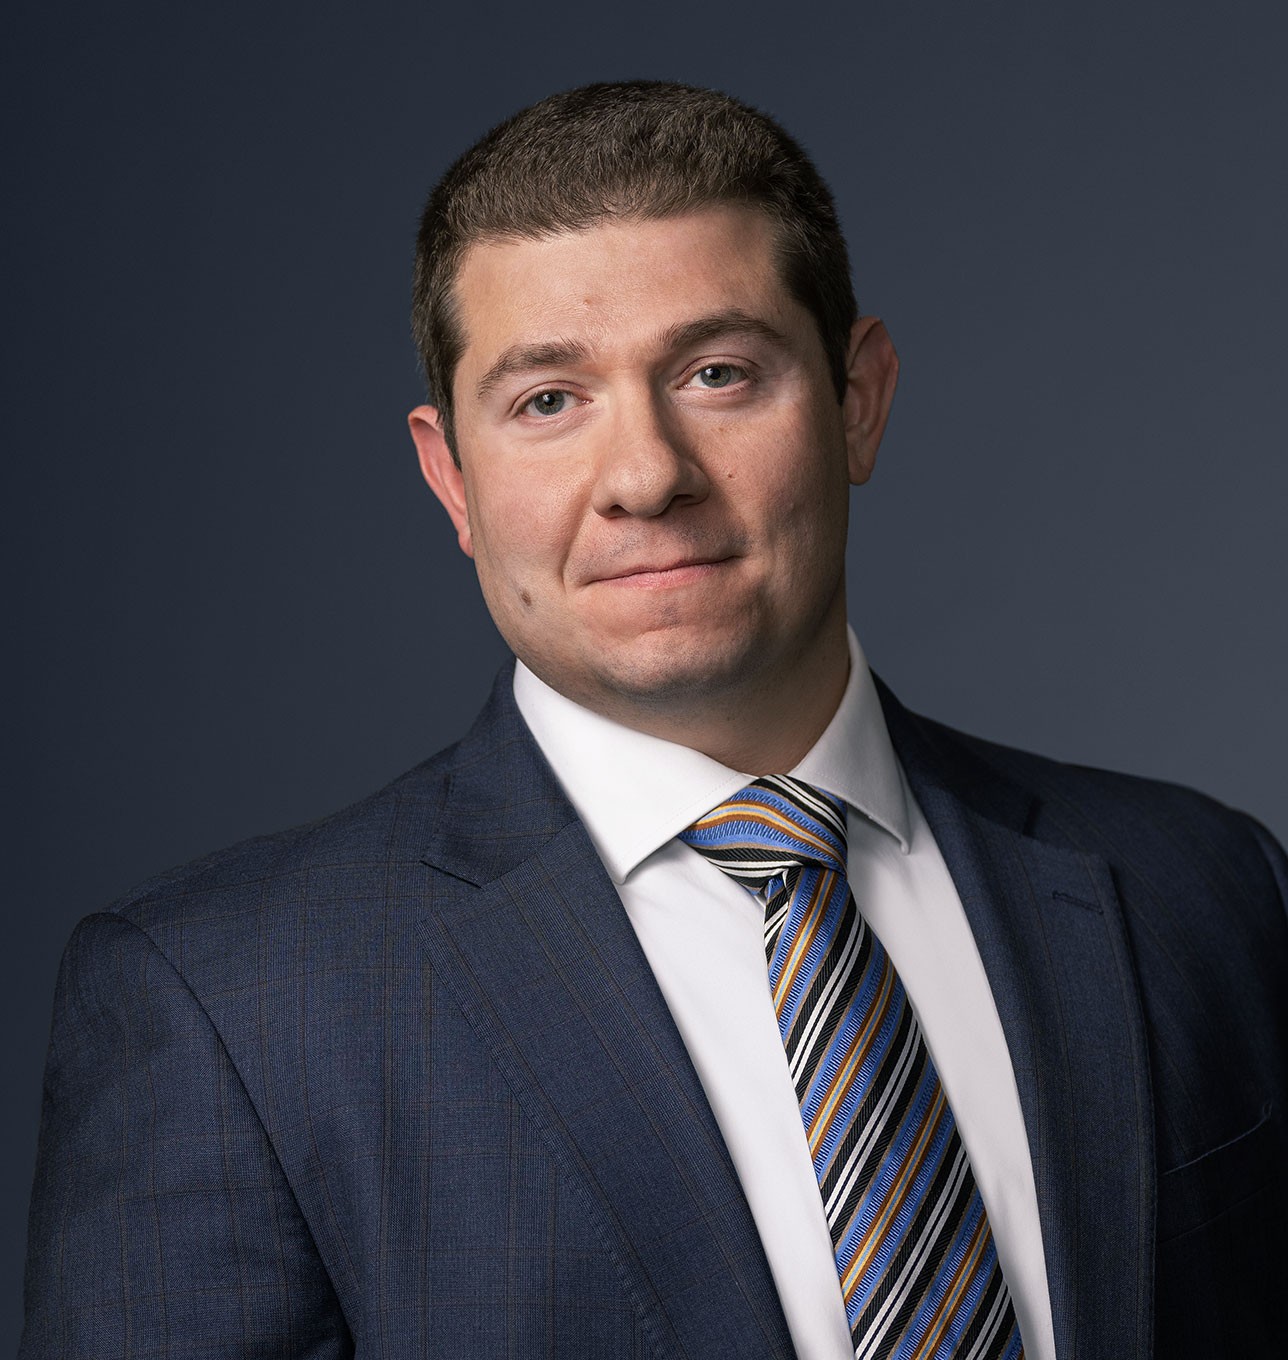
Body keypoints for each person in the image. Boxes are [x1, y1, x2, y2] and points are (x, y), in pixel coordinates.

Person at [21, 80, 1287, 1360]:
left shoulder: (1203, 888)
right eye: (548, 400)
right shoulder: (227, 1008)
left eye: (716, 373)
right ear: (450, 477)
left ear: (857, 398)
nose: (645, 476)